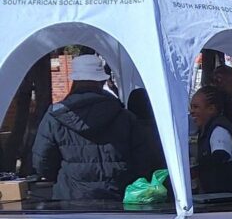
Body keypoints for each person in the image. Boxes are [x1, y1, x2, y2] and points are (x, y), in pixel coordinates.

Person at [32, 54, 149, 201]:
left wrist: (63, 176)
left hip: (70, 198)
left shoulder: (55, 116)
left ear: (75, 80)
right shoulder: (124, 116)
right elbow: (142, 159)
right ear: (102, 80)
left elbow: (42, 161)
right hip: (118, 197)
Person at [190, 85, 232, 194]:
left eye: (196, 107)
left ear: (211, 109)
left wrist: (196, 171)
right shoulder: (207, 130)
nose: (192, 111)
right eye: (191, 107)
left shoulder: (219, 131)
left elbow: (219, 160)